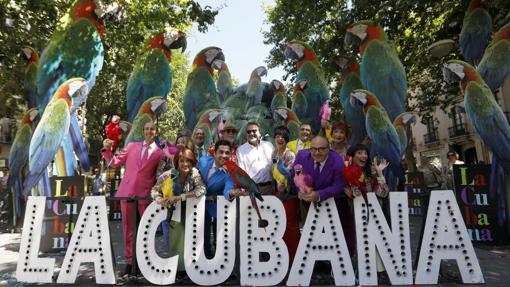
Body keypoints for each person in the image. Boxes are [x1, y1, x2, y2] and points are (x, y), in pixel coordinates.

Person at [101, 121, 166, 277]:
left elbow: (159, 175)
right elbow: (114, 163)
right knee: (128, 230)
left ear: (155, 132)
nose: (149, 131)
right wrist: (107, 150)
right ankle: (129, 262)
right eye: (147, 129)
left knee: (146, 231)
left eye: (152, 129)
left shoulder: (160, 153)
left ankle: (145, 262)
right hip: (127, 192)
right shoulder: (131, 146)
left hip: (145, 196)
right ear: (143, 131)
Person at [151, 148, 205, 272]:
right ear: (177, 161)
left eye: (188, 161)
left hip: (189, 213)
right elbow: (154, 190)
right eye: (182, 161)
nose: (185, 164)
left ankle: (188, 271)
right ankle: (175, 271)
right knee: (173, 243)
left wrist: (180, 197)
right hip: (172, 214)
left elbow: (201, 189)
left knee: (189, 242)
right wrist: (160, 200)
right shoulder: (168, 175)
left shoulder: (194, 173)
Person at [343, 144, 389, 281]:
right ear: (352, 155)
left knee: (377, 241)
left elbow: (383, 193)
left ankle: (380, 270)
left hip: (374, 214)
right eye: (359, 153)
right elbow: (347, 193)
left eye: (365, 153)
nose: (363, 156)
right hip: (355, 215)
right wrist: (351, 189)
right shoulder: (345, 173)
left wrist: (380, 174)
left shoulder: (371, 173)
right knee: (360, 243)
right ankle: (362, 271)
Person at [198, 140, 236, 258]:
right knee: (201, 237)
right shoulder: (203, 161)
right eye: (221, 152)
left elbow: (228, 189)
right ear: (214, 153)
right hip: (198, 206)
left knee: (219, 238)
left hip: (216, 207)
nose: (224, 156)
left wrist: (232, 193)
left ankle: (219, 264)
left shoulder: (229, 173)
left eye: (227, 153)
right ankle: (204, 262)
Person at [272, 126, 300, 263]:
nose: (280, 138)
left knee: (291, 225)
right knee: (281, 224)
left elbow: (292, 176)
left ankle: (295, 258)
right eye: (277, 136)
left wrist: (284, 186)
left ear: (286, 139)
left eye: (282, 136)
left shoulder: (290, 155)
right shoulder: (274, 154)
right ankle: (284, 258)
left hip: (290, 194)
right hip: (278, 193)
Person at [293, 135, 346, 203]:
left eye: (321, 149)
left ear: (328, 149)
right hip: (305, 203)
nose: (317, 152)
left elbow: (339, 185)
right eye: (314, 149)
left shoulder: (337, 161)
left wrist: (319, 195)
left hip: (329, 203)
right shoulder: (301, 156)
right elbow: (295, 176)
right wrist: (300, 190)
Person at [237, 122, 275, 194]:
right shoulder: (241, 150)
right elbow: (241, 172)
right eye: (249, 132)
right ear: (246, 134)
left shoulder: (269, 146)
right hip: (252, 190)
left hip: (269, 188)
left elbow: (275, 165)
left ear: (259, 132)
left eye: (254, 131)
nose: (251, 133)